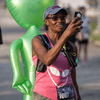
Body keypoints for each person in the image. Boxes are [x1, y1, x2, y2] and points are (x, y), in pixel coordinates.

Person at [32, 5, 82, 100]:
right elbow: (47, 60)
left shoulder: (72, 47)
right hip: (45, 96)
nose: (60, 21)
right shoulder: (38, 40)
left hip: (68, 95)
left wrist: (78, 97)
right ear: (46, 22)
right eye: (54, 18)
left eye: (62, 18)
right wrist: (65, 35)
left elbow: (73, 78)